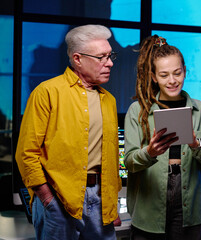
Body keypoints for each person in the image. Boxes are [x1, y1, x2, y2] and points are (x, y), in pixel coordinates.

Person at [15, 24, 121, 240]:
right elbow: (26, 154)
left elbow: (111, 157)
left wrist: (111, 204)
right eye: (102, 57)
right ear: (78, 59)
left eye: (110, 56)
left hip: (101, 201)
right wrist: (47, 199)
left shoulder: (109, 101)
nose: (109, 63)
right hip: (58, 200)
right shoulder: (47, 93)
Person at [124, 35, 201, 240]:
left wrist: (196, 144)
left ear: (185, 71)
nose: (172, 80)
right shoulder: (137, 111)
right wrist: (149, 153)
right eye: (164, 75)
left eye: (177, 73)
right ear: (154, 77)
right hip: (149, 208)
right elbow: (129, 162)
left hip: (191, 207)